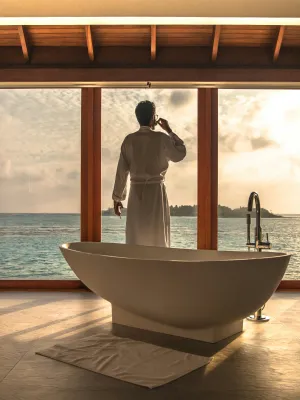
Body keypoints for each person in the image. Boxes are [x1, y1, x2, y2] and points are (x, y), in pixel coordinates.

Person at [112, 100, 186, 247]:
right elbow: (180, 153)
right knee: (157, 234)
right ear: (153, 117)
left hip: (136, 194)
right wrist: (169, 130)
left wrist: (117, 198)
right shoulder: (161, 138)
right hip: (156, 193)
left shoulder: (129, 140)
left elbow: (122, 171)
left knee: (136, 236)